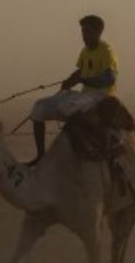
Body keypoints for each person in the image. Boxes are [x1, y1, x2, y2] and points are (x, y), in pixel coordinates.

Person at [30, 14, 119, 165]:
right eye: (83, 32)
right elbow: (80, 71)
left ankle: (98, 142)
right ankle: (40, 156)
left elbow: (109, 79)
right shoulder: (85, 51)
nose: (84, 36)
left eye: (87, 32)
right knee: (39, 107)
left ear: (98, 32)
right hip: (84, 95)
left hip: (101, 96)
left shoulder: (106, 51)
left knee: (67, 107)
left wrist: (84, 80)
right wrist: (69, 81)